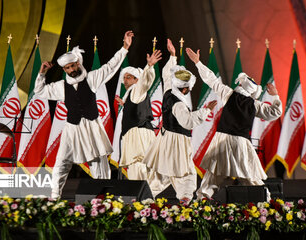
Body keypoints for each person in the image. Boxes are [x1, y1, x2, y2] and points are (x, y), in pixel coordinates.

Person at [34, 31, 134, 199]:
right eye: (68, 68)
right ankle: (54, 196)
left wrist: (125, 47)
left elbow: (110, 67)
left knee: (98, 162)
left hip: (92, 126)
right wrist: (42, 73)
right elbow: (40, 91)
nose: (72, 69)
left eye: (73, 65)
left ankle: (105, 196)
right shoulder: (61, 86)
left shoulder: (92, 78)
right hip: (72, 128)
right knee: (61, 162)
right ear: (64, 69)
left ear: (78, 63)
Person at [186, 47, 282, 201]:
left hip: (222, 140)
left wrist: (198, 62)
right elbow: (274, 113)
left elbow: (211, 80)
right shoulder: (254, 104)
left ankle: (202, 200)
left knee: (214, 174)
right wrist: (276, 95)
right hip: (240, 142)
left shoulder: (228, 94)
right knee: (250, 175)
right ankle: (267, 201)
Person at [143, 39, 217, 204]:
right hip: (177, 140)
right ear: (184, 88)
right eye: (188, 88)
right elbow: (188, 122)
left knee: (162, 170)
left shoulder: (169, 91)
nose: (189, 90)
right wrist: (206, 110)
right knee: (186, 170)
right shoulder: (178, 104)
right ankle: (185, 198)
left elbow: (167, 75)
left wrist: (173, 56)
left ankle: (146, 197)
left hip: (165, 138)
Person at [115, 49, 162, 180]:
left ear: (137, 80)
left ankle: (140, 198)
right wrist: (125, 105)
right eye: (124, 78)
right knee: (140, 167)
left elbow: (145, 83)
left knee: (137, 166)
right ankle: (144, 196)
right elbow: (136, 107)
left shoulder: (137, 88)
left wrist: (149, 66)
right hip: (137, 132)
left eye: (129, 77)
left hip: (138, 134)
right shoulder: (132, 94)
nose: (125, 80)